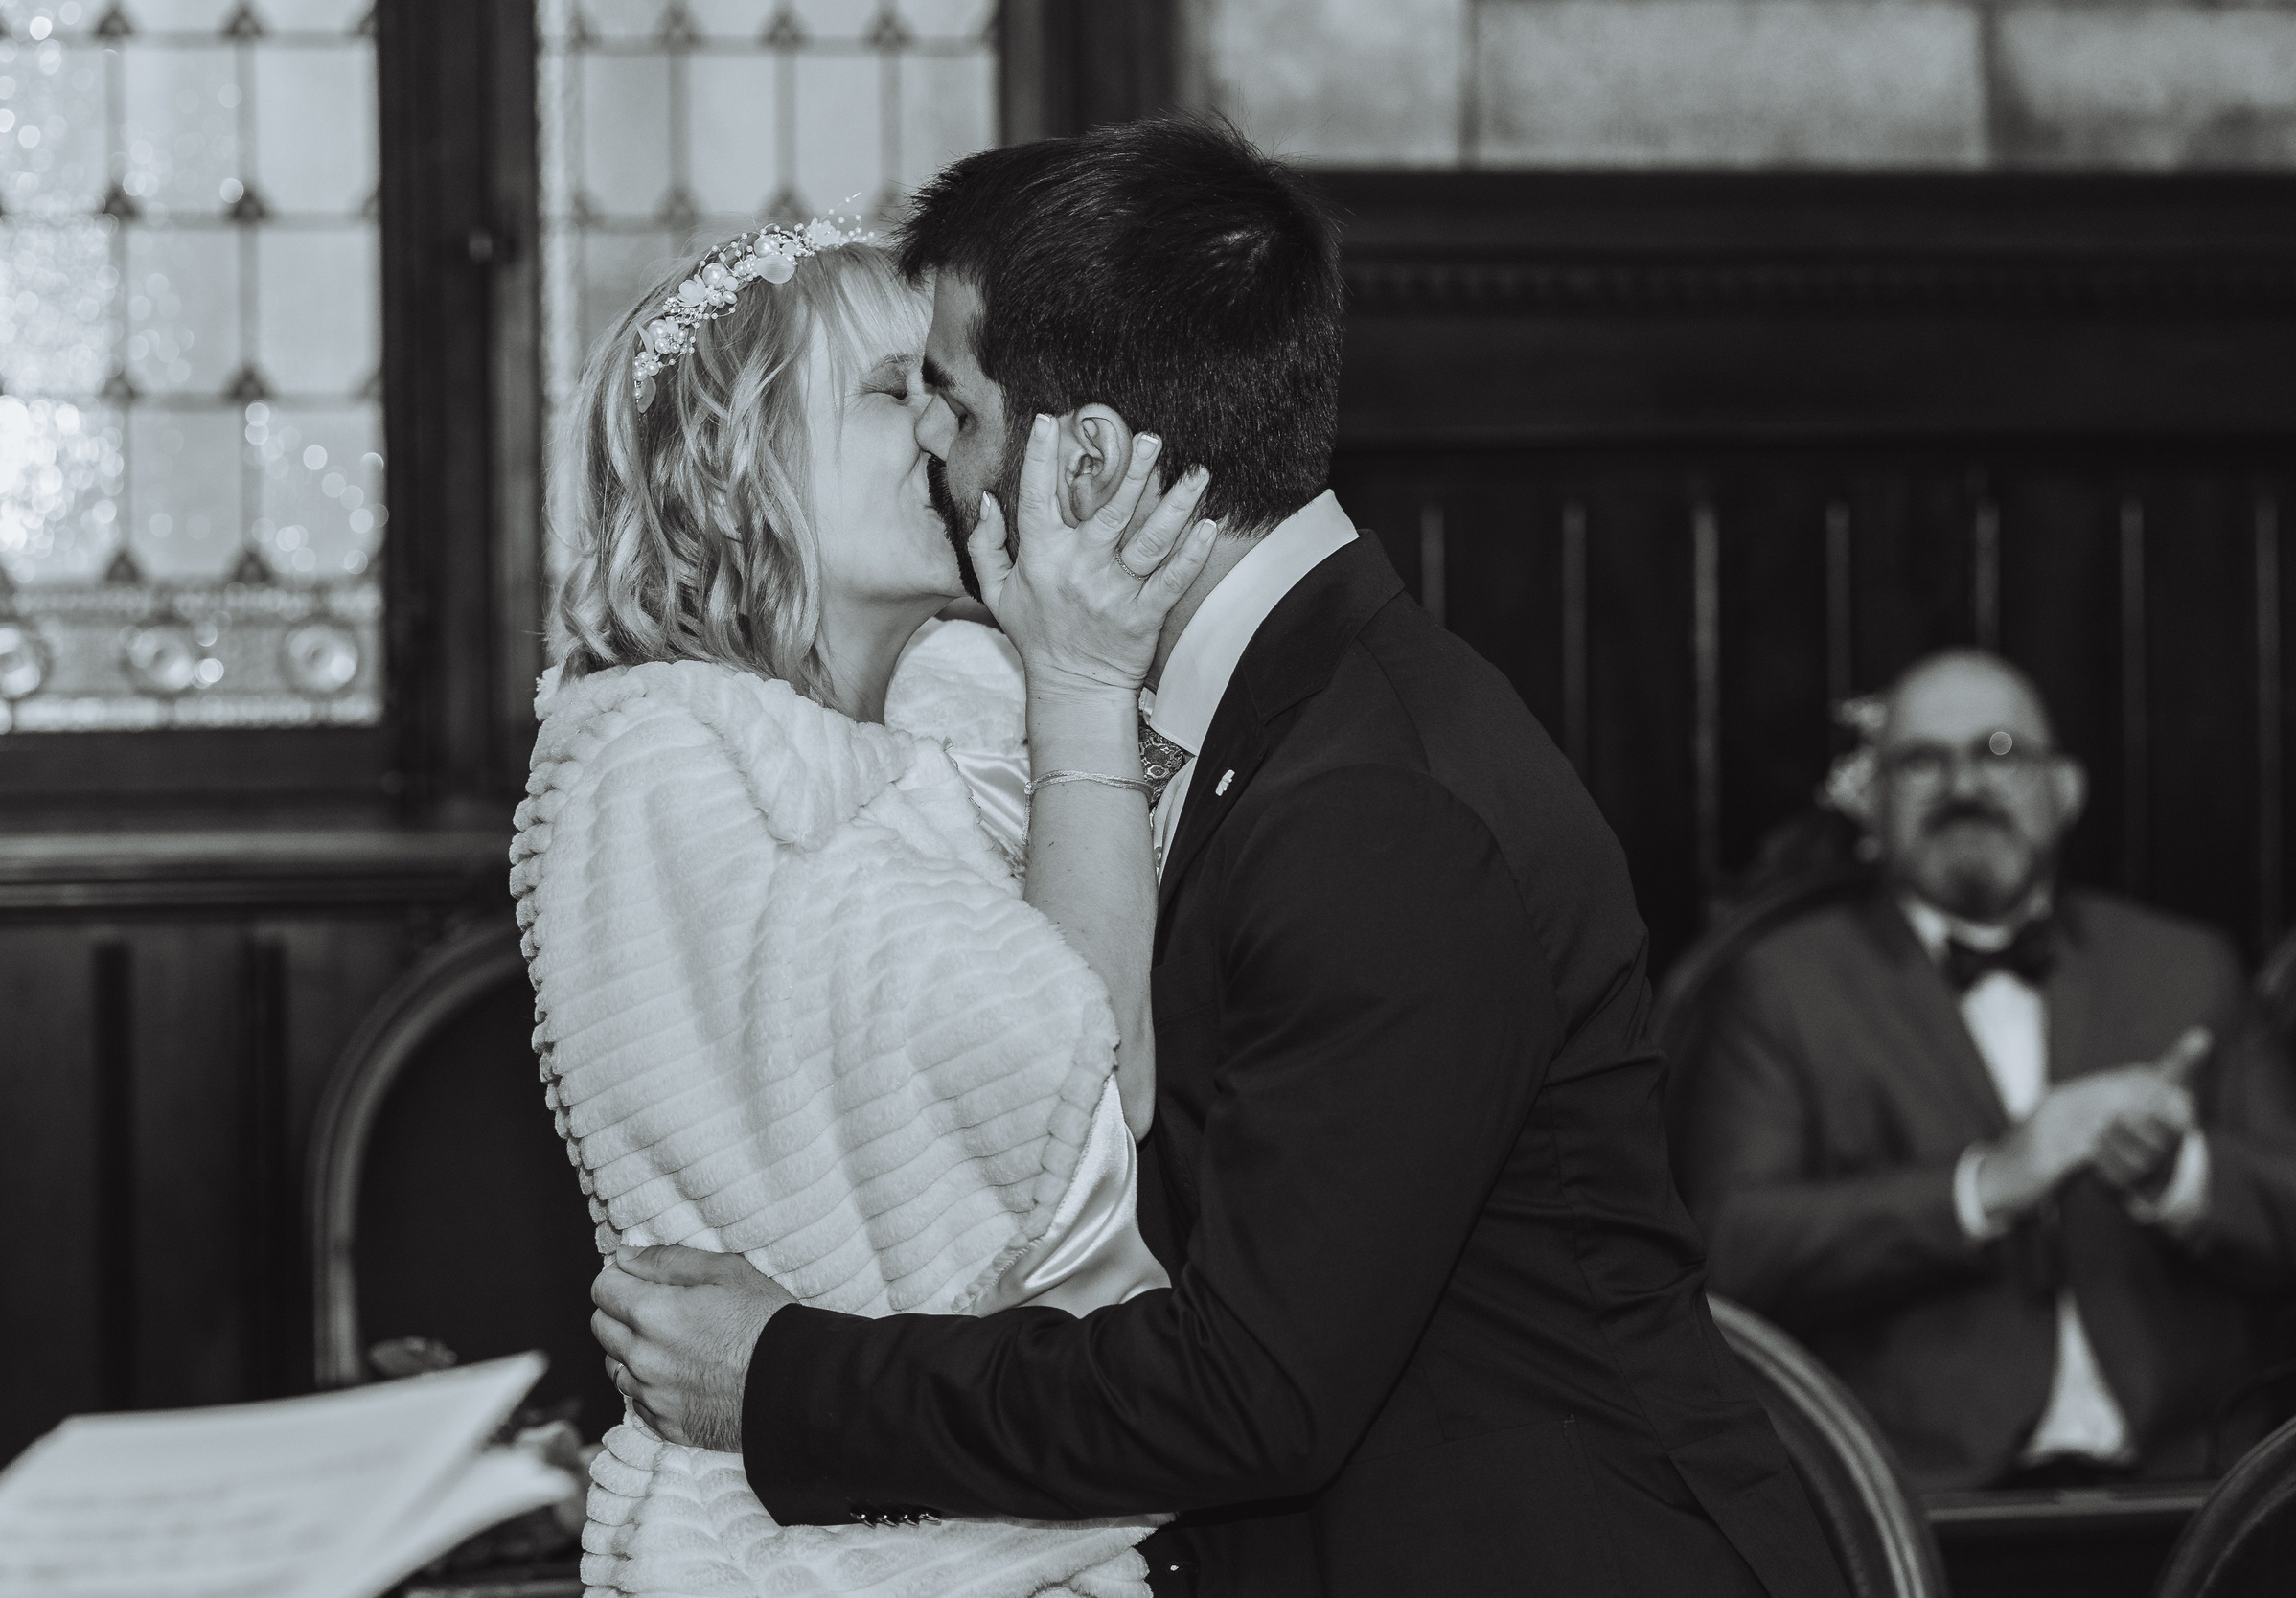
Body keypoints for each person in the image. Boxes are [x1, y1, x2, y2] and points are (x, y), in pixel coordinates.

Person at [585, 116, 1845, 1598]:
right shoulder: (1194, 715)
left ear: (1095, 461)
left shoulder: (1377, 806)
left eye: (951, 399)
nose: (931, 442)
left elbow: (1251, 1391)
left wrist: (783, 1377)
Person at [518, 217, 1223, 1595]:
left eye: (951, 392)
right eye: (891, 391)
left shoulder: (971, 722)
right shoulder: (653, 760)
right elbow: (1075, 1091)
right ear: (734, 464)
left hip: (1030, 1484)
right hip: (811, 1542)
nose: (949, 433)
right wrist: (1077, 690)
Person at [1676, 649, 2296, 1493]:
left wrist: (2180, 1176)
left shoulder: (2188, 966)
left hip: (2190, 1495)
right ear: (1871, 802)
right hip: (1920, 1507)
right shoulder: (1782, 986)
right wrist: (1985, 1185)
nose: (1964, 784)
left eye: (2000, 751)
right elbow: (1733, 1248)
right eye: (1920, 760)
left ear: (2066, 790)